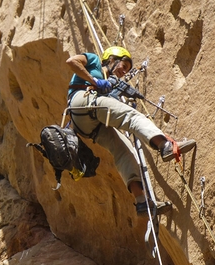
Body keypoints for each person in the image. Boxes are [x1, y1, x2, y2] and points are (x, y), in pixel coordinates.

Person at [66, 46, 196, 216]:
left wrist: (109, 88)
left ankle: (142, 201)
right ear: (111, 59)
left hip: (85, 124)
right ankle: (164, 146)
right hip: (83, 100)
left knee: (124, 151)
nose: (123, 71)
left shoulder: (109, 84)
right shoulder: (94, 60)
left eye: (127, 69)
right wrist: (95, 81)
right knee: (132, 116)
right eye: (123, 66)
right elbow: (72, 61)